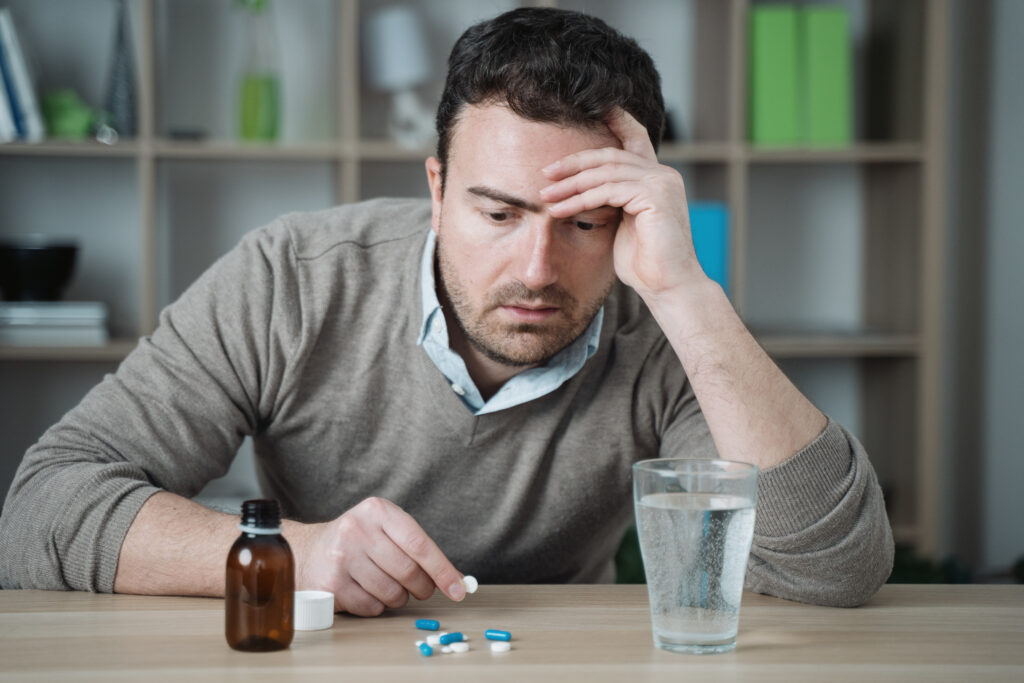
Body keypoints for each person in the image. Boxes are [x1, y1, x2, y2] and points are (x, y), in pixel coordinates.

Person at [0, 8, 893, 611]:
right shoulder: (293, 277)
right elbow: (42, 509)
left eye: (585, 221)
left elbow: (834, 568)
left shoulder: (663, 319)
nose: (536, 266)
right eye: (498, 213)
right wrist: (297, 556)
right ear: (436, 189)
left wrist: (687, 294)